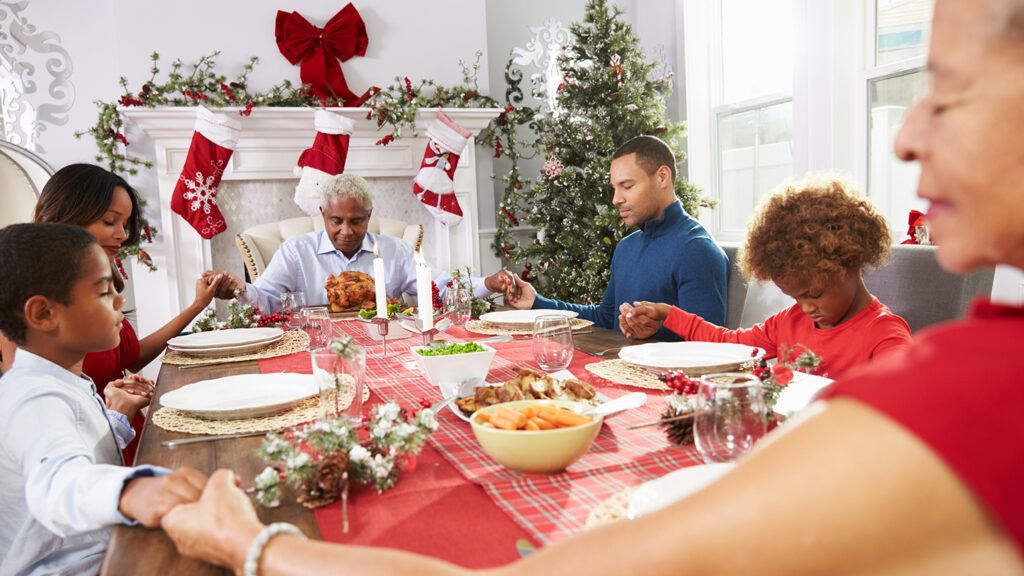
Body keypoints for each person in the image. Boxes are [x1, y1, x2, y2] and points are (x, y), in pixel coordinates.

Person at [156, 0, 1024, 573]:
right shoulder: (971, 366)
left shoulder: (965, 385)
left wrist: (256, 544)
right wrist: (544, 309)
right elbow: (680, 336)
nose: (906, 135)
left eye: (946, 90)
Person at [0, 223, 208, 575]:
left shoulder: (59, 381)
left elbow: (78, 447)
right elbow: (59, 482)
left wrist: (117, 418)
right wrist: (134, 490)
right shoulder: (34, 399)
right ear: (44, 314)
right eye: (102, 292)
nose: (120, 300)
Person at [0, 163, 231, 463]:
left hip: (123, 436)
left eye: (124, 223)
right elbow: (62, 469)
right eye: (110, 221)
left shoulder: (93, 294)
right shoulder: (30, 318)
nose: (122, 235)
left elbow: (129, 359)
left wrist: (197, 306)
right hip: (102, 446)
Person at [619, 175, 912, 377]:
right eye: (795, 297)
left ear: (849, 261)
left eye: (813, 294)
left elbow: (905, 411)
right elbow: (729, 344)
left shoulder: (885, 336)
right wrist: (669, 314)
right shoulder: (790, 321)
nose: (805, 307)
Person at [502, 135, 728, 341]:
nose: (616, 199)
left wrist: (652, 330)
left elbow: (709, 347)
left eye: (627, 186)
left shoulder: (697, 249)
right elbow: (605, 317)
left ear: (662, 177)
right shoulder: (627, 247)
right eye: (614, 188)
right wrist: (537, 302)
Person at [213, 173, 511, 313]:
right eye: (336, 221)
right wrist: (240, 290)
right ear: (323, 215)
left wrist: (489, 282)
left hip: (386, 347)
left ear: (369, 216)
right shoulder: (296, 251)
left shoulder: (396, 250)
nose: (346, 231)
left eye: (356, 221)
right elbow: (266, 298)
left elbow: (440, 287)